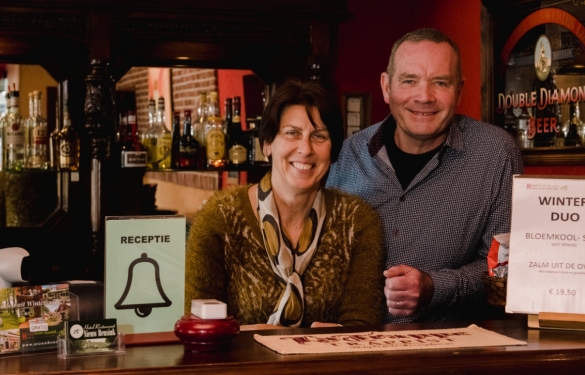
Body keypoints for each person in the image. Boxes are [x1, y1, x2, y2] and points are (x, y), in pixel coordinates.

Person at [327, 28, 524, 323]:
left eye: (440, 82)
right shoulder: (346, 155)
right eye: (409, 80)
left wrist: (435, 286)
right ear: (386, 86)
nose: (424, 96)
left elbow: (504, 271)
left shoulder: (496, 154)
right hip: (350, 345)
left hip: (449, 353)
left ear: (459, 89)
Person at [184, 79, 385, 329]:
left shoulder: (358, 221)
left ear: (333, 149)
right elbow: (202, 330)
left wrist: (341, 338)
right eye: (292, 133)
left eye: (319, 136)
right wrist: (244, 338)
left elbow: (362, 329)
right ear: (268, 144)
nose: (305, 148)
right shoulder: (219, 218)